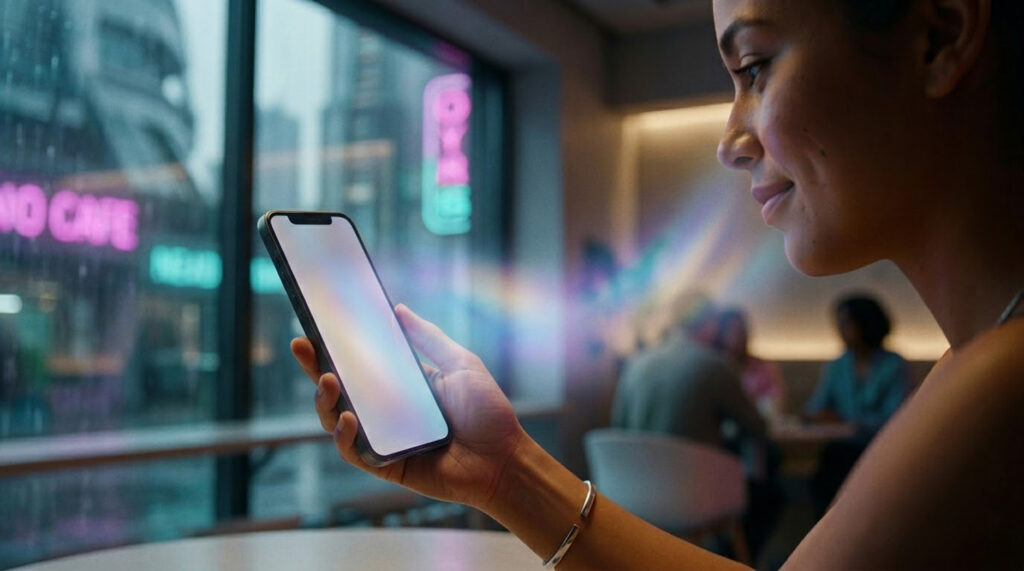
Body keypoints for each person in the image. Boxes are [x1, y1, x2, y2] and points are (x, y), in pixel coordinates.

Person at [291, 0, 1024, 567]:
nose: (730, 139)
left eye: (755, 66)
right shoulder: (975, 365)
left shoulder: (997, 382)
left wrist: (508, 474)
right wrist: (503, 470)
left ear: (939, 36)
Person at [611, 294, 766, 449]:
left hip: (636, 470)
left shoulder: (635, 364)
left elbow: (618, 430)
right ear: (711, 323)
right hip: (696, 471)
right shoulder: (713, 365)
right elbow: (755, 426)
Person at [804, 294, 910, 516]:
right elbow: (815, 407)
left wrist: (848, 421)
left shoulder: (893, 365)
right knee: (825, 479)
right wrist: (818, 415)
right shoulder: (837, 366)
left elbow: (897, 416)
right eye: (839, 325)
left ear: (866, 323)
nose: (841, 331)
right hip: (842, 448)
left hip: (881, 449)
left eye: (846, 324)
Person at [714, 307, 786, 419]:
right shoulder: (711, 368)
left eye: (741, 331)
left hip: (755, 431)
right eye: (732, 331)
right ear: (720, 335)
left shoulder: (763, 366)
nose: (738, 337)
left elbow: (774, 407)